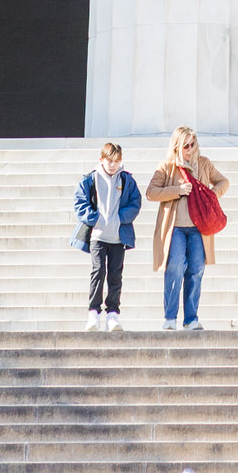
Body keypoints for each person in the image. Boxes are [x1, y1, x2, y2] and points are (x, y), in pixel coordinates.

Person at [147, 125, 229, 331]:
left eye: (193, 144)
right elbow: (151, 192)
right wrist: (178, 190)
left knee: (196, 270)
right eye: (185, 145)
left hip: (198, 229)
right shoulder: (167, 166)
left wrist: (212, 194)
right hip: (175, 228)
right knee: (174, 267)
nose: (190, 149)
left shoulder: (203, 164)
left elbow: (223, 182)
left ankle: (191, 318)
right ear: (177, 146)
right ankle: (170, 317)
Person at [73, 139, 142, 332]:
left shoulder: (126, 180)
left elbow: (135, 203)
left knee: (115, 274)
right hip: (98, 236)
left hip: (118, 237)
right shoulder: (90, 179)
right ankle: (93, 313)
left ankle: (113, 314)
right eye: (109, 161)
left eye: (116, 161)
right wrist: (95, 219)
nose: (113, 165)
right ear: (101, 160)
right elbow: (80, 202)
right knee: (97, 272)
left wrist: (120, 218)